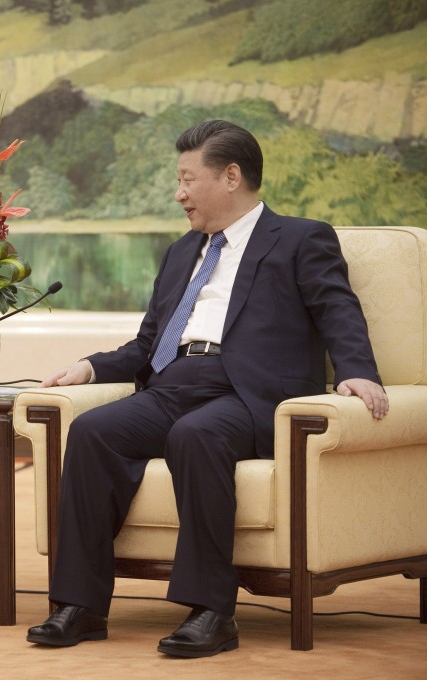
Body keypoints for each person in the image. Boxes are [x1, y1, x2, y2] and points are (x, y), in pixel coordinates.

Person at [26, 120, 388, 658]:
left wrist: (360, 370)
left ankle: (211, 611)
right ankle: (80, 606)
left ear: (232, 176)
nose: (180, 194)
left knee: (196, 436)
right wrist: (90, 366)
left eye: (187, 179)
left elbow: (338, 308)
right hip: (174, 383)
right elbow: (150, 342)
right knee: (93, 430)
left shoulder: (299, 238)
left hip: (247, 393)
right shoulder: (181, 253)